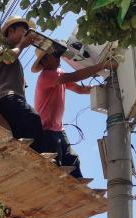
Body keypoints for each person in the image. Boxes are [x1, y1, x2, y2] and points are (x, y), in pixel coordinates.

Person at [32, 47, 118, 178]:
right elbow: (75, 77)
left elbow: (79, 89)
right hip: (46, 130)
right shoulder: (46, 76)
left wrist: (101, 88)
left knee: (73, 160)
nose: (58, 58)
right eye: (54, 55)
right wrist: (102, 65)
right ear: (44, 61)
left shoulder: (58, 73)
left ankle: (80, 189)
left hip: (58, 129)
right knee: (54, 163)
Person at [0, 16, 53, 154]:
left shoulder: (16, 61)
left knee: (24, 133)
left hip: (12, 100)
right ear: (11, 30)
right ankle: (40, 157)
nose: (26, 35)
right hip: (4, 97)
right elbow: (8, 58)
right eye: (23, 31)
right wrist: (22, 44)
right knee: (33, 118)